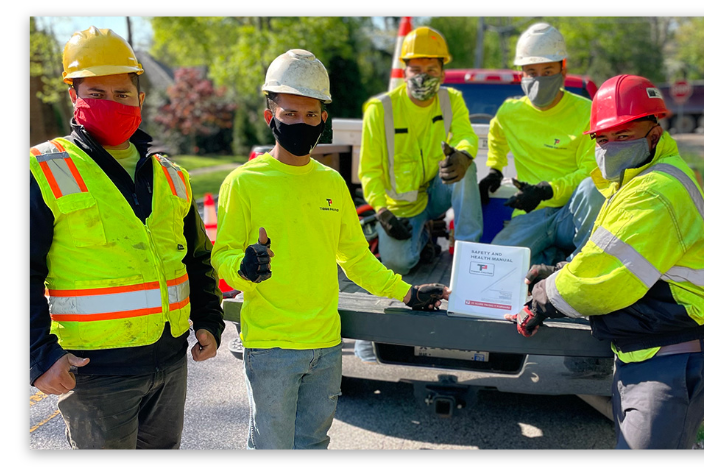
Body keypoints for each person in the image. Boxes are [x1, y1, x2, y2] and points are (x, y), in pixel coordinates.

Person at [210, 49, 450, 450]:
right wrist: (245, 267)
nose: (300, 123)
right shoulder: (242, 183)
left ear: (324, 118)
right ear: (270, 115)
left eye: (310, 115)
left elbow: (354, 258)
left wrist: (407, 293)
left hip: (325, 344)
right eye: (289, 114)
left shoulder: (332, 184)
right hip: (272, 346)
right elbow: (224, 257)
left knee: (314, 443)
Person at [507, 74, 704, 450]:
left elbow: (601, 278)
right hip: (651, 354)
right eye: (602, 138)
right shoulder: (635, 182)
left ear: (654, 133)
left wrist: (541, 300)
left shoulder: (655, 191)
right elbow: (608, 255)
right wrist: (560, 271)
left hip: (670, 362)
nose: (610, 146)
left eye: (623, 135)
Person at [29, 27, 225, 450]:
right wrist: (38, 357)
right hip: (95, 373)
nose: (112, 103)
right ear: (73, 96)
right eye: (96, 92)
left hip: (170, 362)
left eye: (122, 92)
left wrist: (209, 319)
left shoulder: (172, 175)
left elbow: (196, 258)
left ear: (140, 97)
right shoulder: (45, 170)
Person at [355, 26, 482, 363]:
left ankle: (466, 257)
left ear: (442, 70)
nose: (423, 76)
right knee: (400, 264)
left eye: (431, 69)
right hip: (403, 207)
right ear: (404, 69)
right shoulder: (380, 110)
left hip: (437, 191)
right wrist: (382, 212)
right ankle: (423, 240)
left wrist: (463, 154)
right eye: (416, 68)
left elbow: (468, 135)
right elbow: (369, 171)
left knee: (467, 170)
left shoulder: (451, 100)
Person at [479, 22, 605, 267]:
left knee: (593, 187)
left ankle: (580, 267)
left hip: (573, 213)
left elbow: (592, 172)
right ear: (521, 74)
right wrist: (495, 168)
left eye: (548, 71)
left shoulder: (586, 112)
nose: (540, 79)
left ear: (563, 69)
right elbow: (496, 134)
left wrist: (547, 190)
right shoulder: (510, 112)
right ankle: (552, 257)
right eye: (532, 72)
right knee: (496, 265)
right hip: (532, 212)